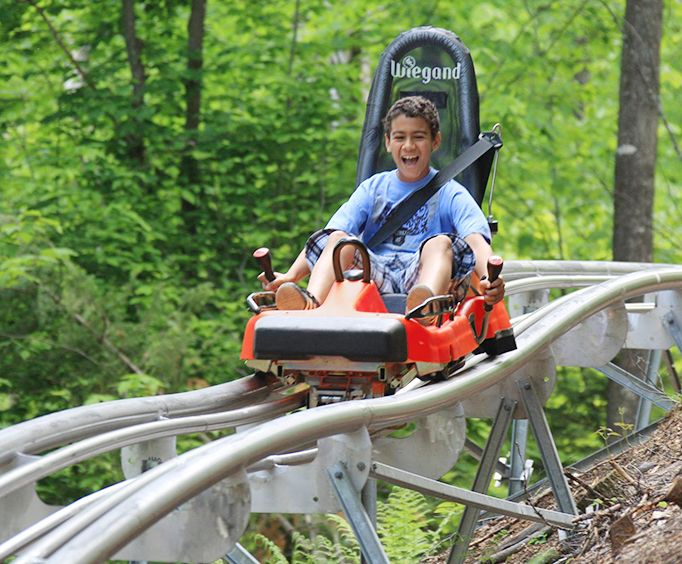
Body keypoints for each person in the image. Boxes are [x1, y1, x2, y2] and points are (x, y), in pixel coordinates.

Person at [258, 96, 504, 323]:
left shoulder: (451, 193)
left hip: (422, 275)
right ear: (388, 142)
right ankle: (311, 304)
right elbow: (332, 235)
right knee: (339, 239)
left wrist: (487, 279)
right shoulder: (374, 188)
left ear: (435, 141)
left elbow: (475, 240)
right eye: (399, 137)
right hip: (375, 271)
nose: (408, 146)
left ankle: (423, 311)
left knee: (440, 243)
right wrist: (291, 276)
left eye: (418, 137)